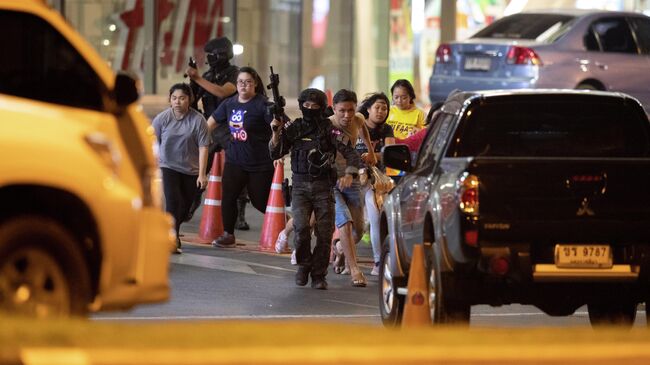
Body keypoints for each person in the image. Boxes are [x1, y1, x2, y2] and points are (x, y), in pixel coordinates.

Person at [269, 88, 361, 290]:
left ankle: (319, 275)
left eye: (315, 106)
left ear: (322, 108)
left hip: (323, 187)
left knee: (325, 234)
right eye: (306, 106)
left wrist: (349, 174)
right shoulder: (295, 127)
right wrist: (276, 133)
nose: (310, 110)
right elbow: (276, 152)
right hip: (300, 187)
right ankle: (303, 266)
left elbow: (351, 154)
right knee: (301, 228)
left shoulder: (330, 129)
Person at [185, 37, 250, 229]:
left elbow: (223, 92)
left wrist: (198, 79)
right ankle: (190, 205)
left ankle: (240, 215)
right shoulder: (208, 75)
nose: (209, 59)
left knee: (238, 167)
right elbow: (193, 100)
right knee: (199, 167)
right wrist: (192, 84)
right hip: (211, 126)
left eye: (212, 55)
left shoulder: (235, 73)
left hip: (232, 127)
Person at [207, 67, 275, 248]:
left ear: (255, 84)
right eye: (240, 82)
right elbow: (210, 123)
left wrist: (277, 127)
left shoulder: (262, 104)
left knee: (260, 202)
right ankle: (228, 234)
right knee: (228, 197)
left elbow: (277, 127)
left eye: (248, 82)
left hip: (260, 162)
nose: (244, 85)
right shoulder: (229, 104)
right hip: (235, 160)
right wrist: (198, 139)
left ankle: (288, 221)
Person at [152, 83, 209, 254]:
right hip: (168, 165)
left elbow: (203, 147)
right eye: (174, 98)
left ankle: (173, 229)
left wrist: (201, 174)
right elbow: (153, 143)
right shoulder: (162, 119)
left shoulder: (198, 120)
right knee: (173, 201)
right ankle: (173, 238)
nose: (177, 102)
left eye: (182, 98)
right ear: (170, 99)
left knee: (184, 208)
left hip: (190, 169)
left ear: (189, 100)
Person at [329, 89, 377, 287]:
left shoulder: (357, 119)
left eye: (350, 109)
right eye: (342, 111)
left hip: (353, 179)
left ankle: (339, 247)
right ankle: (355, 269)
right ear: (334, 109)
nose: (347, 115)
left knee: (358, 230)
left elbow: (364, 130)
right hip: (331, 181)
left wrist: (371, 152)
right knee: (345, 223)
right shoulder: (328, 125)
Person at [356, 92, 395, 275]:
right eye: (377, 107)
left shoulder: (387, 129)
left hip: (375, 182)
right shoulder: (356, 124)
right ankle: (339, 249)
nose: (381, 112)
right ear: (368, 109)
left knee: (376, 219)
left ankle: (378, 261)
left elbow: (389, 153)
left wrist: (373, 156)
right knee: (354, 226)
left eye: (384, 108)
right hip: (353, 179)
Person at [385, 79, 425, 179]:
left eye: (404, 97)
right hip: (389, 155)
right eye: (396, 97)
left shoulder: (419, 114)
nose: (399, 101)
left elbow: (425, 135)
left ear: (410, 96)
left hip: (408, 156)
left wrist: (417, 132)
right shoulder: (388, 111)